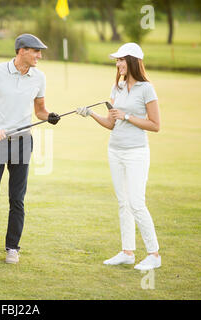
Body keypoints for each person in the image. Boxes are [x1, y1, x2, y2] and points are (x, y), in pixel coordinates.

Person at [0, 34, 60, 264]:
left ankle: (12, 248)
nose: (40, 56)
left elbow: (40, 110)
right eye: (36, 51)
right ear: (22, 51)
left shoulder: (39, 77)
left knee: (17, 198)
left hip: (22, 142)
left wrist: (49, 116)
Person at [77, 43, 161, 270]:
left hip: (136, 153)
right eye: (116, 60)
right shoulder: (118, 87)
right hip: (115, 151)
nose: (118, 64)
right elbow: (111, 123)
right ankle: (127, 252)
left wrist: (128, 116)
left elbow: (155, 125)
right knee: (123, 203)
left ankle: (154, 254)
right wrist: (91, 113)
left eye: (121, 60)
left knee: (136, 202)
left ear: (133, 61)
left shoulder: (146, 89)